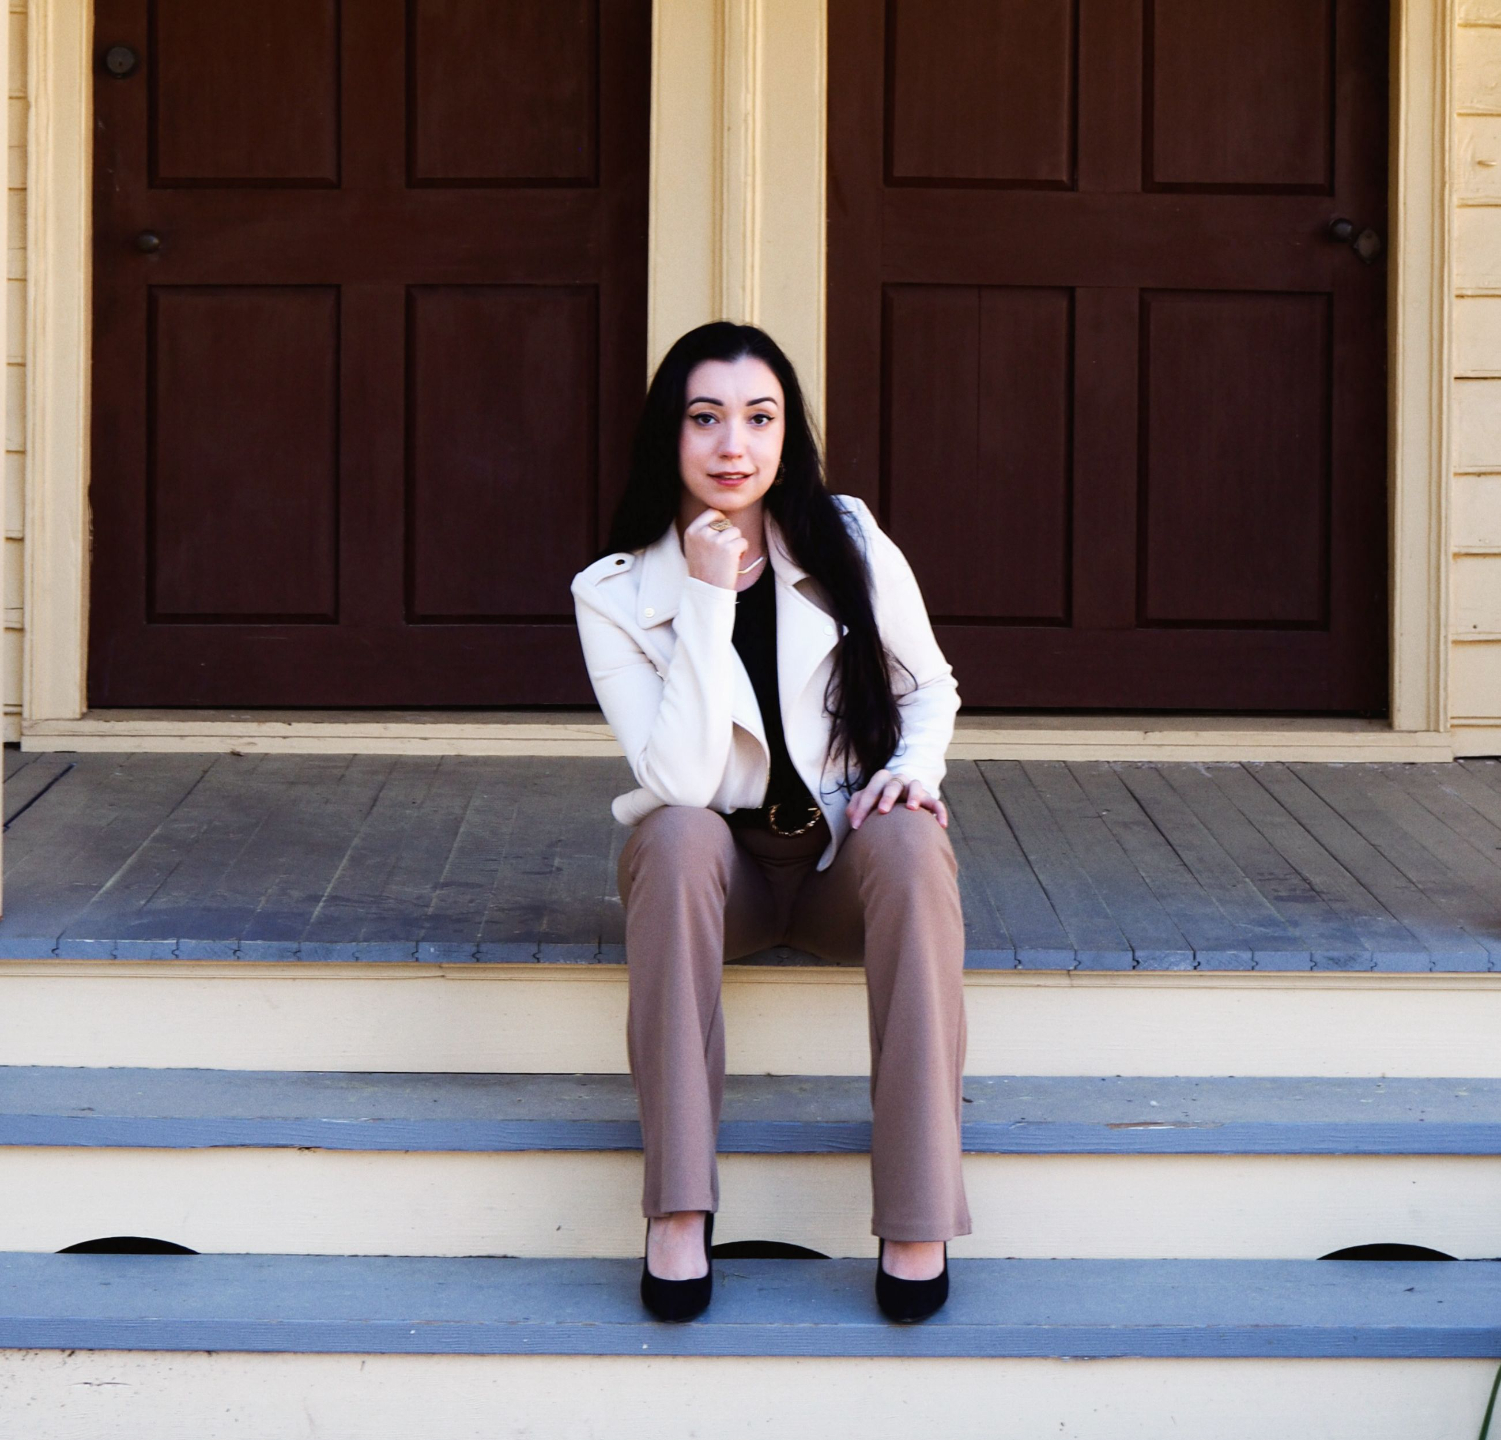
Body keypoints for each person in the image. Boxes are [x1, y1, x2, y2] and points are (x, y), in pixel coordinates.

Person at [571, 322, 968, 1324]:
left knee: (914, 837)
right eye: (705, 419)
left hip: (840, 867)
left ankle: (918, 1212)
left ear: (787, 435)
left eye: (759, 418)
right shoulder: (614, 594)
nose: (732, 446)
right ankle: (678, 1209)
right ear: (670, 435)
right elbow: (678, 778)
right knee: (672, 833)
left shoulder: (847, 537)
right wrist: (706, 601)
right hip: (722, 879)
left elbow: (928, 688)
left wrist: (910, 775)